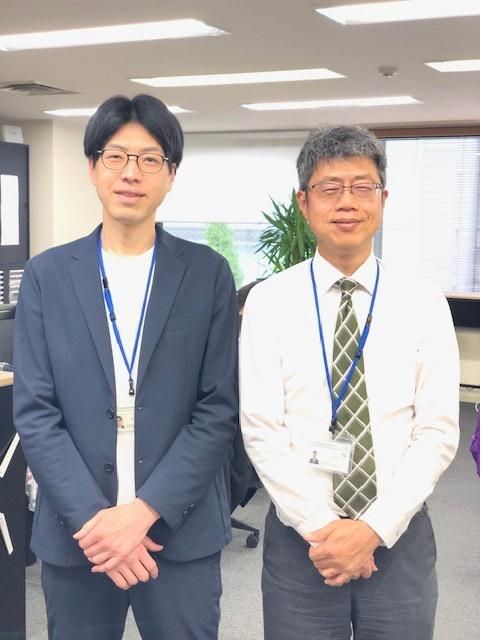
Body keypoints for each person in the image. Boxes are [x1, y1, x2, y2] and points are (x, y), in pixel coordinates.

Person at [14, 94, 238, 640]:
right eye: (115, 156)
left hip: (176, 533)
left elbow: (217, 409)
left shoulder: (207, 274)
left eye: (150, 159)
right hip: (79, 537)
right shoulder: (47, 276)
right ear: (92, 167)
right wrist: (98, 522)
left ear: (171, 174)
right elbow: (36, 414)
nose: (131, 173)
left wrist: (140, 514)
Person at [240, 125, 460, 640]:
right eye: (330, 188)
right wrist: (323, 529)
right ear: (304, 201)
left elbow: (436, 431)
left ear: (383, 199)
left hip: (398, 536)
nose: (347, 202)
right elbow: (261, 429)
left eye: (362, 187)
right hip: (302, 542)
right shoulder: (269, 302)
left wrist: (373, 529)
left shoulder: (423, 303)